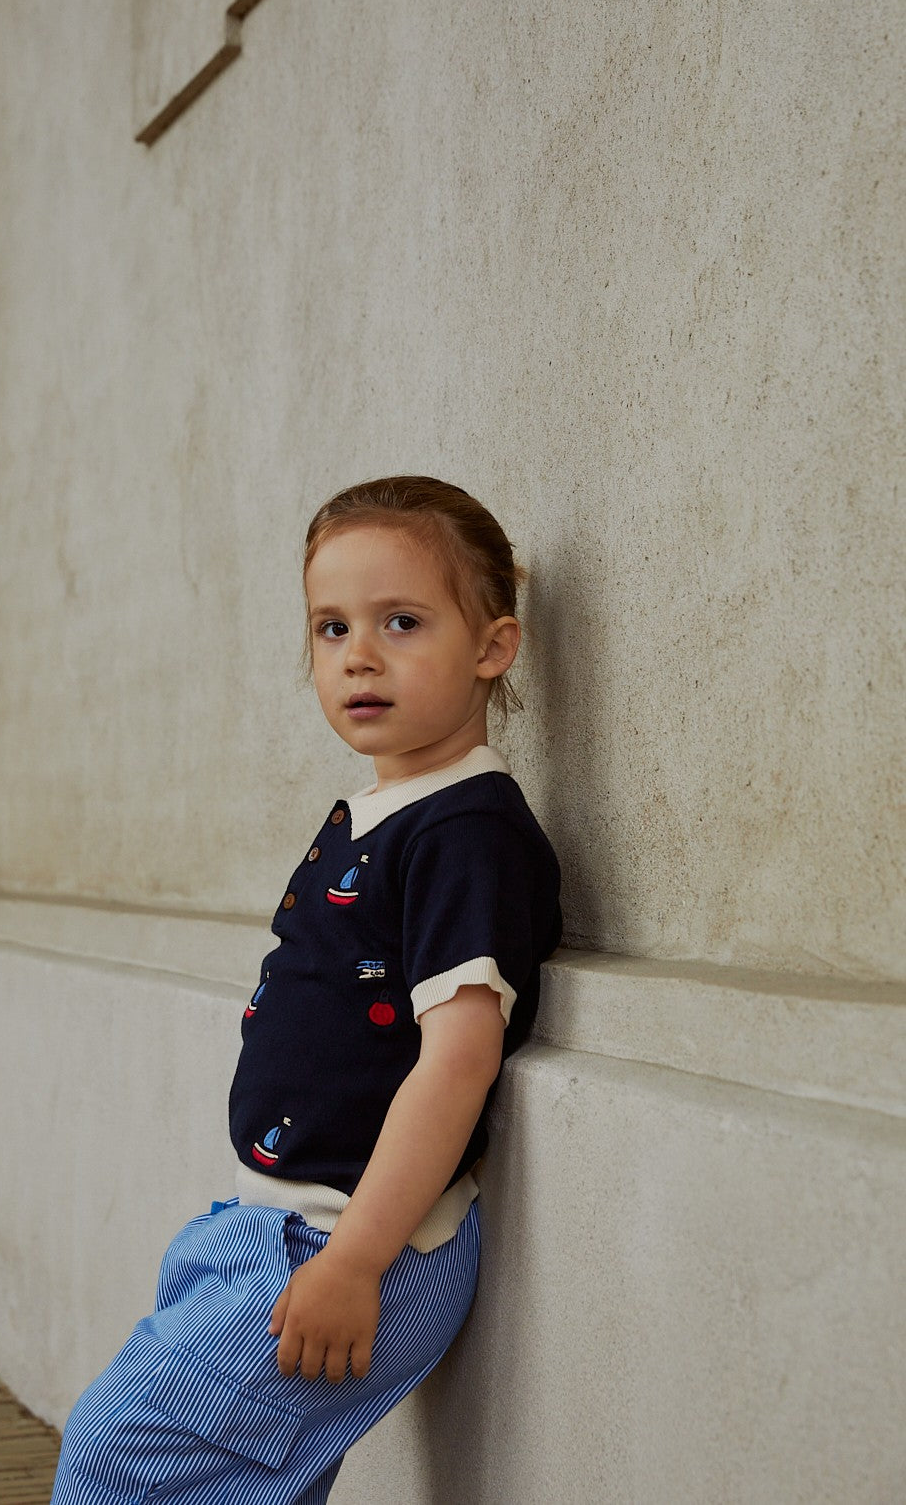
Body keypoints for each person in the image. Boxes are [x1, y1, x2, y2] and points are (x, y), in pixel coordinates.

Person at [50, 475, 562, 1505]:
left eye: (402, 622)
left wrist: (354, 1264)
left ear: (493, 648)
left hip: (347, 1240)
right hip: (269, 1225)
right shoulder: (383, 809)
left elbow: (457, 1061)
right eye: (332, 628)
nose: (358, 655)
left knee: (114, 1457)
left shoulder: (467, 832)